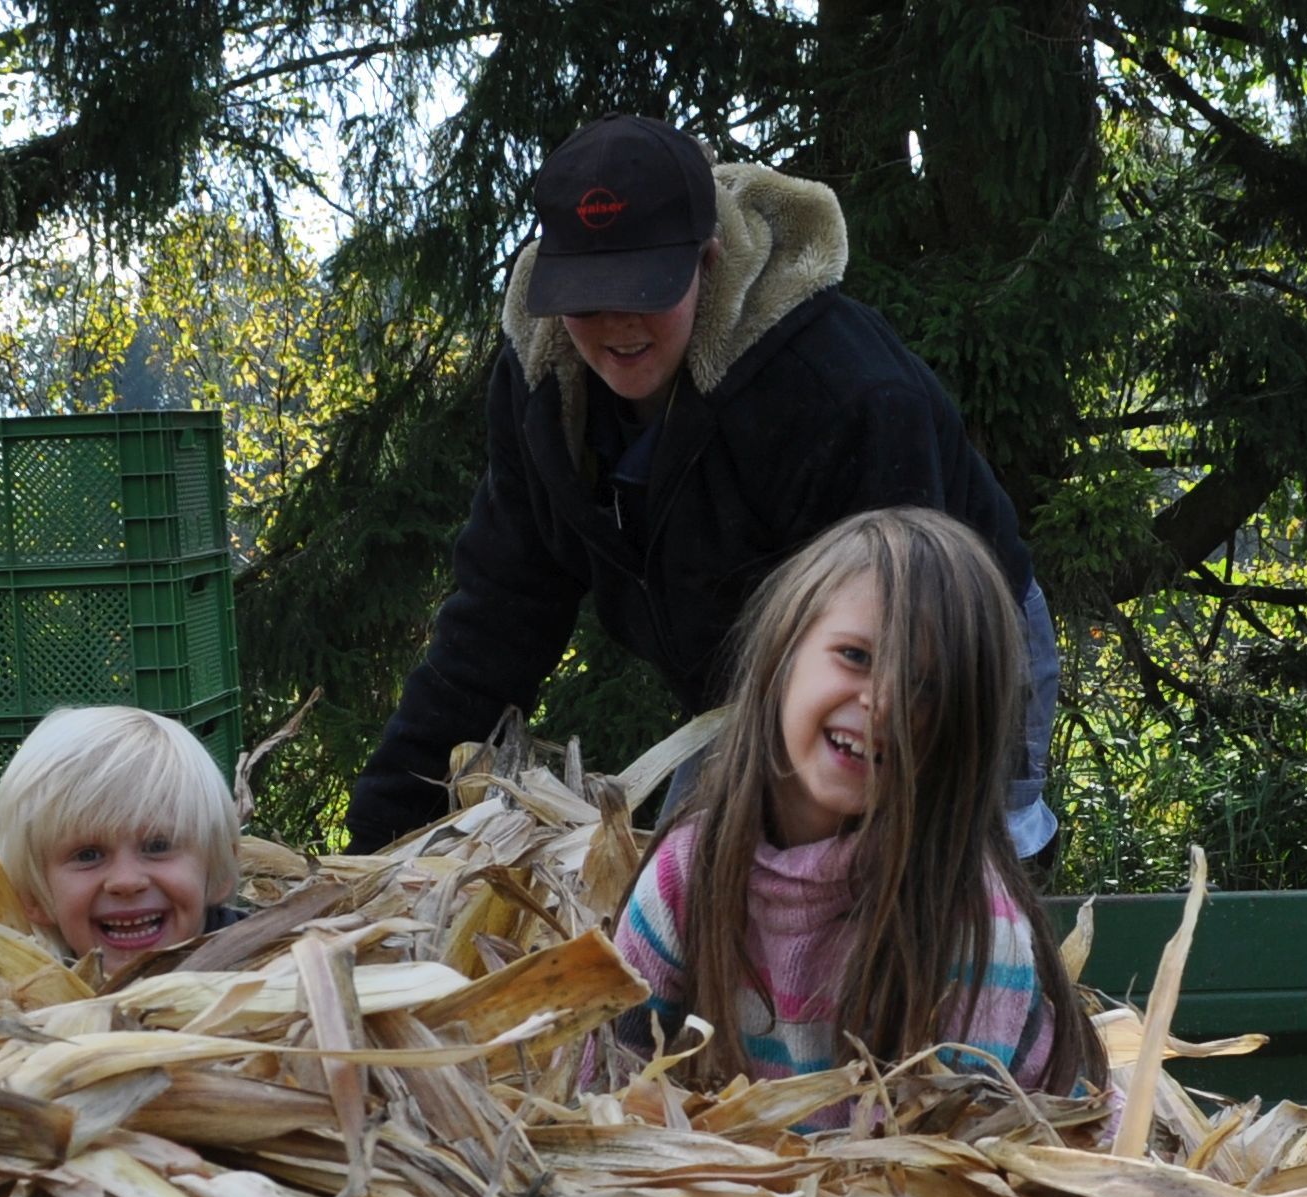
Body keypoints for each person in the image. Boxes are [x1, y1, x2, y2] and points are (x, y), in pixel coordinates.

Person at [347, 114, 1061, 860]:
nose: (617, 326)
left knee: (936, 873)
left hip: (952, 641)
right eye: (586, 298)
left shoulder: (840, 391)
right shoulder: (545, 395)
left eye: (644, 290)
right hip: (751, 682)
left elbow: (907, 648)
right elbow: (496, 618)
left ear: (709, 260)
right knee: (697, 883)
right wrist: (375, 851)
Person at [611, 508, 1097, 1119]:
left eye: (924, 687)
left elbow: (947, 1154)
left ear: (959, 734)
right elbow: (609, 1088)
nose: (883, 702)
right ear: (783, 654)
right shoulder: (686, 872)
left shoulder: (969, 922)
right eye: (856, 656)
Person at [0, 707, 243, 960]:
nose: (126, 882)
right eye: (88, 855)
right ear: (32, 896)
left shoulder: (261, 972)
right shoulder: (24, 981)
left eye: (157, 846)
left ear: (220, 868)